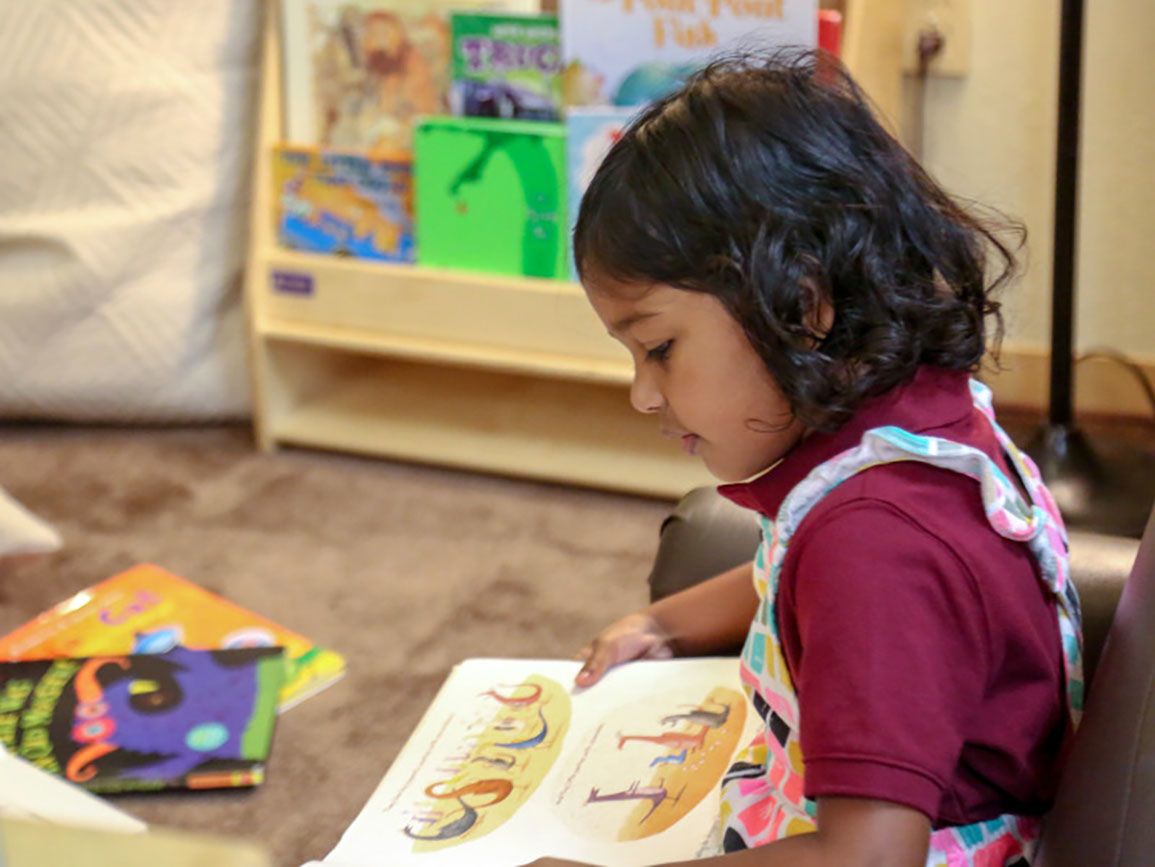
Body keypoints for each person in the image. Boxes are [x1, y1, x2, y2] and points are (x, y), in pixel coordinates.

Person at [530, 50, 1082, 867]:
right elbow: (791, 572)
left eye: (658, 348)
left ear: (799, 304)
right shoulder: (918, 426)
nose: (643, 395)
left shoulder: (877, 547)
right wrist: (664, 621)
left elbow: (867, 856)